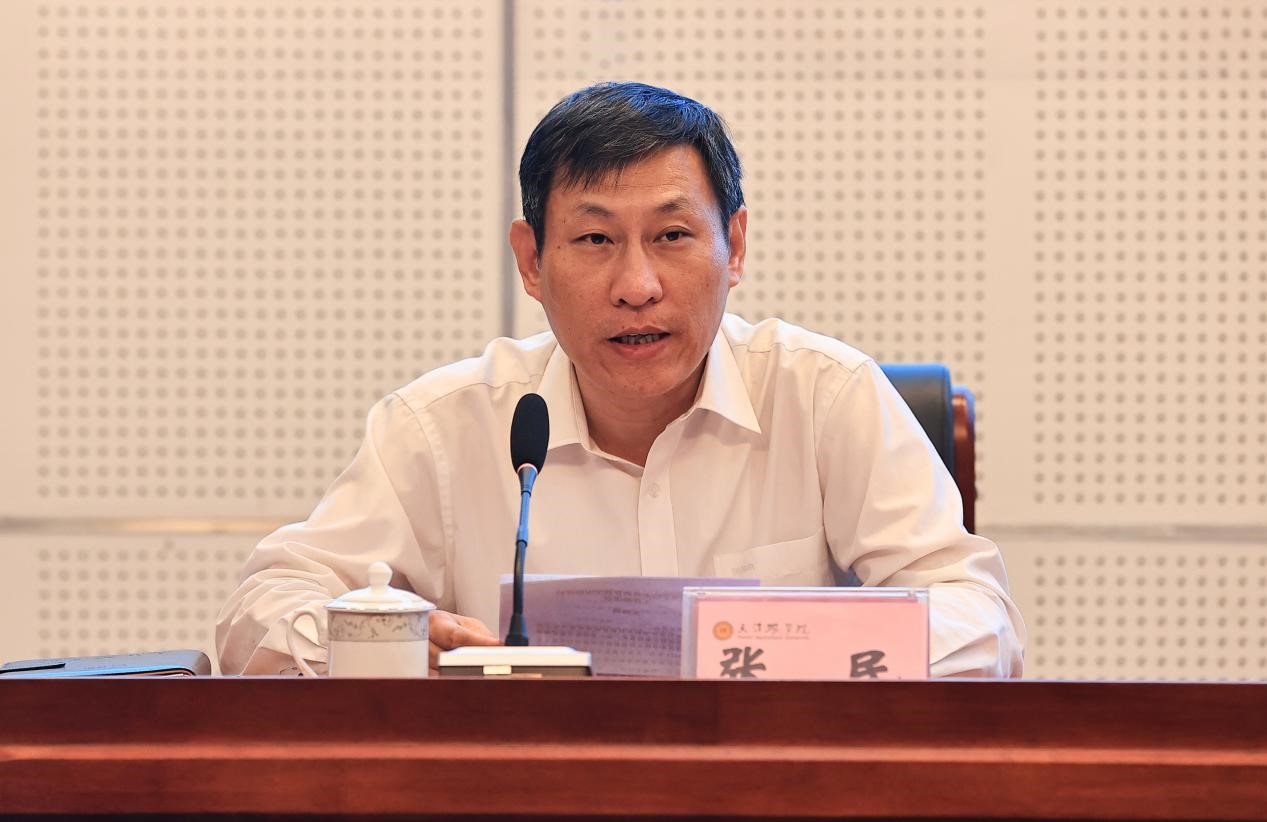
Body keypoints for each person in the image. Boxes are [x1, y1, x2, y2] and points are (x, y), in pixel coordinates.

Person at [216, 82, 1024, 678]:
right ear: (532, 261)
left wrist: (794, 658)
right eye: (595, 240)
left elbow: (977, 618)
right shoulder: (441, 427)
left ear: (734, 247)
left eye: (672, 235)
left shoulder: (825, 397)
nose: (637, 286)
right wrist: (380, 647)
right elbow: (261, 613)